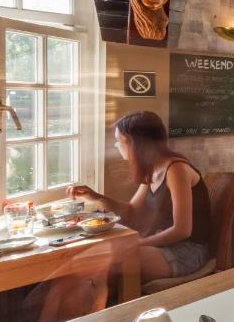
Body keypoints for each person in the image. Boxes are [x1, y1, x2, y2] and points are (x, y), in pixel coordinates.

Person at [68, 111, 212, 284]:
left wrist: (139, 243)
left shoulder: (176, 169)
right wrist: (96, 197)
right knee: (87, 267)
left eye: (119, 141)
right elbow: (131, 212)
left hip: (188, 251)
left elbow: (182, 230)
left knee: (106, 263)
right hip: (160, 245)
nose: (116, 146)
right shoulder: (152, 169)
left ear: (135, 143)